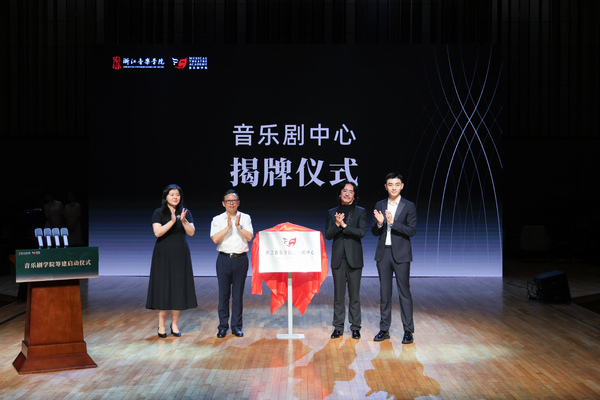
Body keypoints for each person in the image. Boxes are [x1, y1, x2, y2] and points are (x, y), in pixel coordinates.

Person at [146, 184, 197, 338]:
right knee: (163, 288)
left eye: (177, 194)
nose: (175, 197)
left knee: (178, 288)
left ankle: (174, 324)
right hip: (163, 255)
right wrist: (172, 221)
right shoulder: (159, 212)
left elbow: (192, 232)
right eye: (172, 194)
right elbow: (157, 232)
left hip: (180, 254)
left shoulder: (185, 212)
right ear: (166, 197)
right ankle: (161, 325)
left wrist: (183, 221)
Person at [372, 172, 417, 344]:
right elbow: (374, 231)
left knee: (404, 292)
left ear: (402, 186)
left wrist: (392, 223)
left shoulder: (409, 206)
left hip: (401, 254)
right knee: (385, 293)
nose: (394, 187)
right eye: (390, 184)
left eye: (397, 184)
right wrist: (380, 224)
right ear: (386, 186)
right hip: (383, 253)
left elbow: (411, 230)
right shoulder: (380, 204)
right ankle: (384, 329)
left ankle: (408, 331)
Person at [325, 180, 366, 340]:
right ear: (340, 194)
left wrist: (344, 226)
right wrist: (337, 225)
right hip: (338, 259)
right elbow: (328, 235)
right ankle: (338, 327)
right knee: (339, 295)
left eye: (351, 191)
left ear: (354, 195)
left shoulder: (360, 212)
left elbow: (361, 232)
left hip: (354, 259)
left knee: (354, 296)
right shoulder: (332, 212)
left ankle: (355, 327)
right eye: (344, 191)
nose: (347, 194)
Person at [210, 189, 254, 338]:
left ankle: (236, 326)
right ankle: (223, 326)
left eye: (234, 201)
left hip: (241, 259)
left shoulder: (245, 217)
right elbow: (215, 239)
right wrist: (228, 227)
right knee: (223, 294)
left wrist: (238, 226)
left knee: (237, 295)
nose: (231, 203)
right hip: (223, 259)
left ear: (238, 203)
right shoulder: (217, 219)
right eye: (228, 201)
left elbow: (249, 237)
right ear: (223, 203)